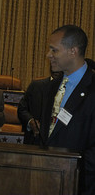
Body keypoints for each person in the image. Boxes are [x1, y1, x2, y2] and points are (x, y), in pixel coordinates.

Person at [36, 25, 95, 195]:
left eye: (54, 50)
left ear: (73, 51)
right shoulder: (52, 87)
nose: (48, 55)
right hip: (48, 179)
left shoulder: (92, 88)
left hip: (81, 183)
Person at [18, 70, 63, 145]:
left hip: (60, 142)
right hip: (35, 140)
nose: (56, 69)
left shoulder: (71, 89)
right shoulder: (36, 85)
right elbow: (22, 109)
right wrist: (30, 121)